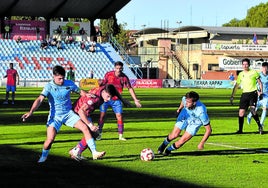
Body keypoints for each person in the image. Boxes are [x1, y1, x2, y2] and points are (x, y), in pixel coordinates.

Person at [21, 65, 105, 163]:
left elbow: (79, 91)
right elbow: (40, 99)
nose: (61, 80)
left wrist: (86, 94)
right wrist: (31, 112)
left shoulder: (69, 83)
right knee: (50, 140)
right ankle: (43, 157)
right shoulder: (49, 86)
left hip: (69, 114)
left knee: (85, 128)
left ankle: (94, 152)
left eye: (63, 78)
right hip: (55, 116)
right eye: (59, 78)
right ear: (54, 76)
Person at [69, 84, 131, 160]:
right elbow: (81, 111)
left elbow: (115, 92)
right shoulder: (93, 98)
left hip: (85, 113)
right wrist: (90, 125)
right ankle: (90, 152)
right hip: (78, 113)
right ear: (104, 92)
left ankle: (76, 152)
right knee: (90, 131)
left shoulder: (104, 90)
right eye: (108, 96)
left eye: (110, 97)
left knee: (95, 133)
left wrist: (123, 100)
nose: (109, 99)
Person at [97, 61, 142, 141]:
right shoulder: (108, 74)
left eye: (120, 69)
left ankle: (120, 135)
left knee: (119, 116)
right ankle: (99, 134)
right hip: (106, 99)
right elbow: (103, 84)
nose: (118, 70)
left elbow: (130, 88)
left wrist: (135, 99)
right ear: (114, 68)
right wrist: (100, 86)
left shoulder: (124, 77)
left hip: (116, 100)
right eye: (117, 68)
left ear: (122, 68)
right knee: (102, 116)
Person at [157, 91, 212, 156]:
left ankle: (168, 150)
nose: (186, 103)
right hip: (185, 114)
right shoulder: (185, 99)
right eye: (186, 101)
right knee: (174, 135)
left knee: (182, 141)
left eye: (188, 102)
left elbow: (209, 130)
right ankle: (163, 145)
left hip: (195, 122)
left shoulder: (201, 112)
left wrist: (202, 143)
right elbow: (183, 101)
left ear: (194, 103)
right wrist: (179, 109)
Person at [230, 58, 263, 134]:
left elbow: (260, 83)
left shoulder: (254, 72)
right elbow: (236, 85)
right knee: (241, 113)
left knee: (252, 110)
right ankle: (240, 130)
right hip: (244, 94)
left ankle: (259, 126)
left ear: (249, 65)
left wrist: (260, 92)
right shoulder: (241, 74)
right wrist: (232, 96)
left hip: (253, 93)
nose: (245, 66)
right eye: (243, 64)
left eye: (246, 64)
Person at [247, 62, 268, 129]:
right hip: (258, 94)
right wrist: (258, 92)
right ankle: (249, 116)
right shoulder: (258, 75)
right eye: (263, 67)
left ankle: (261, 124)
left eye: (266, 67)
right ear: (262, 68)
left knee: (265, 109)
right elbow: (254, 84)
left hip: (266, 96)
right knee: (255, 108)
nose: (265, 69)